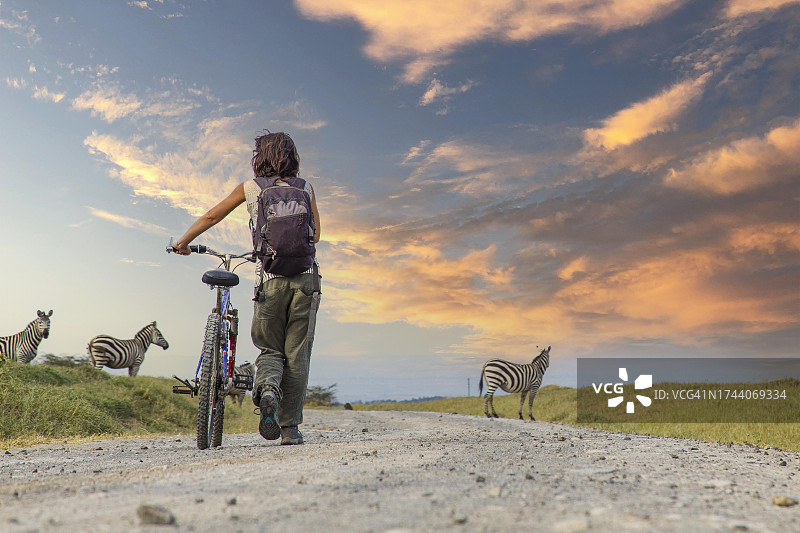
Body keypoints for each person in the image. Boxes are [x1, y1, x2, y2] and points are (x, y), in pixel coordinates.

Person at [173, 131, 321, 446]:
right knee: (297, 355)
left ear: (259, 158)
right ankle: (290, 429)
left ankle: (267, 390)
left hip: (269, 279)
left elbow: (213, 215)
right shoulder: (306, 188)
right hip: (306, 279)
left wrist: (183, 242)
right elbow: (316, 235)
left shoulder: (250, 188)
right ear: (293, 157)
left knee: (270, 349)